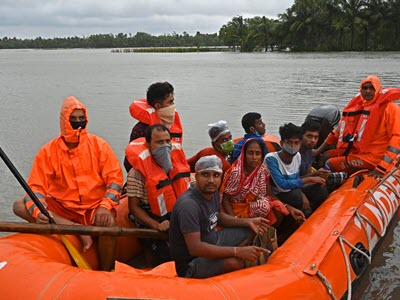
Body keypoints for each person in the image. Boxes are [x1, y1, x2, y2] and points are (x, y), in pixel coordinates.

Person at [13, 96, 124, 271]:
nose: (78, 124)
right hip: (62, 208)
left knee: (109, 224)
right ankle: (71, 228)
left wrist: (105, 206)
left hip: (93, 208)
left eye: (82, 119)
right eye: (73, 120)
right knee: (19, 205)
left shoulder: (99, 146)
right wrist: (38, 210)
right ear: (65, 121)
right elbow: (36, 187)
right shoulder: (48, 152)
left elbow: (115, 181)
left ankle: (106, 271)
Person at [169, 155, 270, 278]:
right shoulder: (189, 205)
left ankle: (232, 255)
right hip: (192, 262)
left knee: (250, 229)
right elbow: (195, 248)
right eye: (205, 174)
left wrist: (248, 221)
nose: (211, 180)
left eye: (216, 175)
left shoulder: (212, 192)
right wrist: (237, 251)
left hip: (213, 240)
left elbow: (219, 216)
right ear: (196, 176)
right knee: (235, 263)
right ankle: (232, 259)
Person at [125, 124, 190, 267]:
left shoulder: (176, 165)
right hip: (151, 218)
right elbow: (134, 207)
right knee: (164, 254)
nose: (165, 146)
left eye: (168, 141)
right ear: (148, 145)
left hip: (175, 214)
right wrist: (156, 225)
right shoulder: (136, 173)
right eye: (160, 142)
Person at [322, 75, 400, 178]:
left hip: (374, 158)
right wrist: (318, 149)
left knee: (329, 163)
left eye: (372, 88)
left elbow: (396, 139)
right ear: (361, 90)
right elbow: (340, 130)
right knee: (325, 155)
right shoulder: (360, 106)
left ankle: (330, 186)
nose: (368, 91)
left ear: (378, 90)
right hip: (359, 153)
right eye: (365, 88)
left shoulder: (390, 109)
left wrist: (381, 168)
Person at [221, 139, 305, 225]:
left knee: (277, 207)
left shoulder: (262, 171)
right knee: (263, 206)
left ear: (262, 156)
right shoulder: (236, 172)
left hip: (253, 206)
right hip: (235, 209)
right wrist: (234, 220)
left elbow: (269, 195)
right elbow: (225, 199)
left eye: (257, 154)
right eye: (250, 153)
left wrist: (289, 208)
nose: (254, 157)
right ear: (244, 154)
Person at [264, 123, 326, 215]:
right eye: (289, 142)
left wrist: (303, 193)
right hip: (278, 194)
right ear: (282, 143)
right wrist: (309, 179)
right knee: (298, 198)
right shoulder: (271, 159)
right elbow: (282, 185)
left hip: (293, 190)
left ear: (300, 143)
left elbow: (295, 180)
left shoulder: (297, 156)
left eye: (296, 143)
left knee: (321, 188)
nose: (293, 146)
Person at [124, 81, 183, 172]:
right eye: (170, 102)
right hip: (149, 179)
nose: (173, 106)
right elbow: (129, 162)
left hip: (171, 176)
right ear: (157, 106)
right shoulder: (141, 129)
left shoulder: (170, 125)